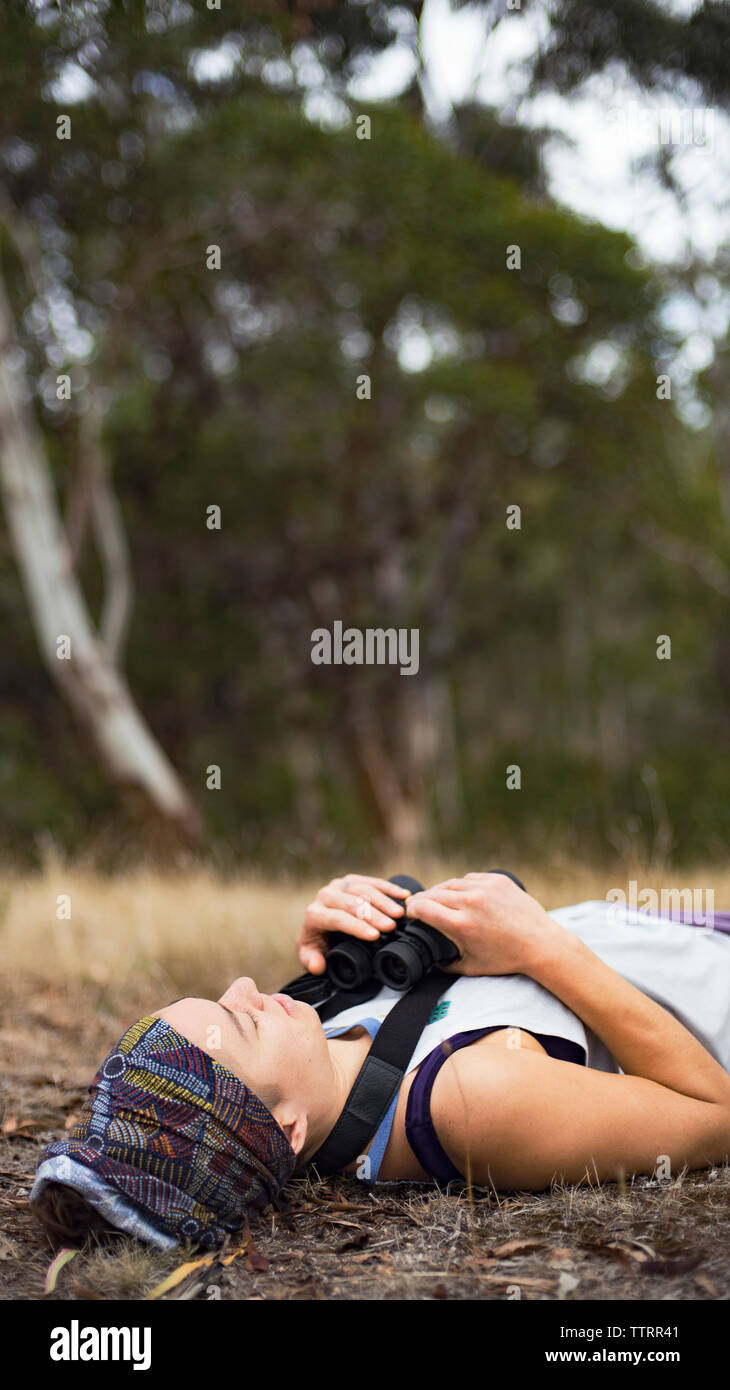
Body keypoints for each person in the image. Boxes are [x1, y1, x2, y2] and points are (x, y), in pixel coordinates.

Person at [30, 871, 730, 1250]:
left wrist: (355, 942)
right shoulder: (471, 1102)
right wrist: (541, 946)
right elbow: (715, 1114)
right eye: (241, 1020)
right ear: (288, 1128)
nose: (247, 987)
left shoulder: (318, 1036)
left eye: (223, 998)